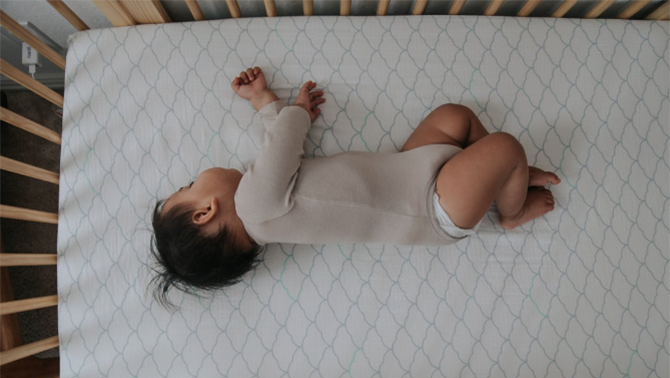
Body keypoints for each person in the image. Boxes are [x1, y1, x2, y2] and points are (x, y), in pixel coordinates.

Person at [150, 67, 560, 308]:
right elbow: (283, 145)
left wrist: (264, 102)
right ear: (206, 211)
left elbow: (279, 155)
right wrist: (289, 110)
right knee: (505, 145)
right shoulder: (255, 207)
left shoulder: (265, 205)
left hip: (410, 169)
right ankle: (512, 210)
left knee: (456, 117)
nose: (195, 176)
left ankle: (504, 172)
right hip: (433, 207)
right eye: (189, 186)